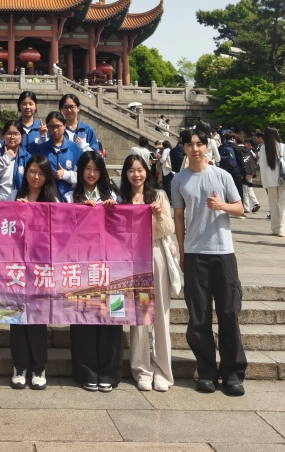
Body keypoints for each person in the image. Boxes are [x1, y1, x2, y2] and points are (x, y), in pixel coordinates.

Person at [171, 122, 247, 396]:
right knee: (199, 316)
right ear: (183, 147)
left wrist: (221, 205)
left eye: (199, 144)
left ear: (206, 146)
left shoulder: (222, 175)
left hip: (223, 252)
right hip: (195, 253)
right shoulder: (178, 180)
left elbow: (240, 208)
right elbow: (178, 218)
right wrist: (181, 252)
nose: (194, 148)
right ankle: (206, 371)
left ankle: (232, 372)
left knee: (228, 312)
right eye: (189, 144)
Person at [120, 154, 175, 392]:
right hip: (132, 259)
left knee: (161, 314)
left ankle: (162, 371)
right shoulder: (121, 199)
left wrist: (158, 215)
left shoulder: (158, 196)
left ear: (147, 171)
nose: (136, 175)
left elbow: (169, 230)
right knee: (139, 315)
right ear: (126, 174)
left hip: (155, 253)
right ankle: (142, 369)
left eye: (140, 170)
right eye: (131, 170)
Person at [68, 150, 121, 391]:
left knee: (112, 316)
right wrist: (79, 212)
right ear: (80, 171)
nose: (91, 174)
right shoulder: (69, 196)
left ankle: (109, 371)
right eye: (87, 169)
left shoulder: (113, 196)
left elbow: (124, 228)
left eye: (96, 169)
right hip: (81, 265)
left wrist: (113, 211)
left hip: (111, 265)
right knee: (84, 318)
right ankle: (86, 371)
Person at [10, 155, 59, 390]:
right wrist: (15, 212)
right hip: (18, 266)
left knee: (38, 318)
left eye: (41, 173)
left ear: (47, 176)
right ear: (25, 172)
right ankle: (19, 366)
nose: (36, 177)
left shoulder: (53, 200)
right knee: (17, 317)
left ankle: (39, 367)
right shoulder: (15, 196)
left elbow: (61, 232)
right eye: (32, 171)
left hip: (41, 267)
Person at [29, 111, 82, 202]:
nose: (55, 130)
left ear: (64, 125)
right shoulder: (41, 149)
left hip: (70, 199)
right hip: (47, 198)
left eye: (58, 126)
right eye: (51, 126)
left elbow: (83, 177)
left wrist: (66, 174)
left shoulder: (75, 149)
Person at [257, 126, 285, 237]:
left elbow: (260, 164)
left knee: (273, 204)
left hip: (269, 180)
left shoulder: (263, 148)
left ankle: (275, 227)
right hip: (282, 179)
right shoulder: (282, 146)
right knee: (283, 203)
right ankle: (282, 228)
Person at [0, 121, 30, 200]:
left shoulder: (26, 157)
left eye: (16, 134)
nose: (12, 137)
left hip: (19, 200)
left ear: (21, 137)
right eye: (9, 133)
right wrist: (6, 157)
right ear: (4, 136)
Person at [219, 133, 246, 203]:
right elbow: (240, 160)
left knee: (225, 191)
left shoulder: (221, 147)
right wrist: (244, 172)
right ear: (232, 138)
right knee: (238, 191)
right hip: (235, 171)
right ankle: (239, 207)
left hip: (223, 171)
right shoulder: (235, 146)